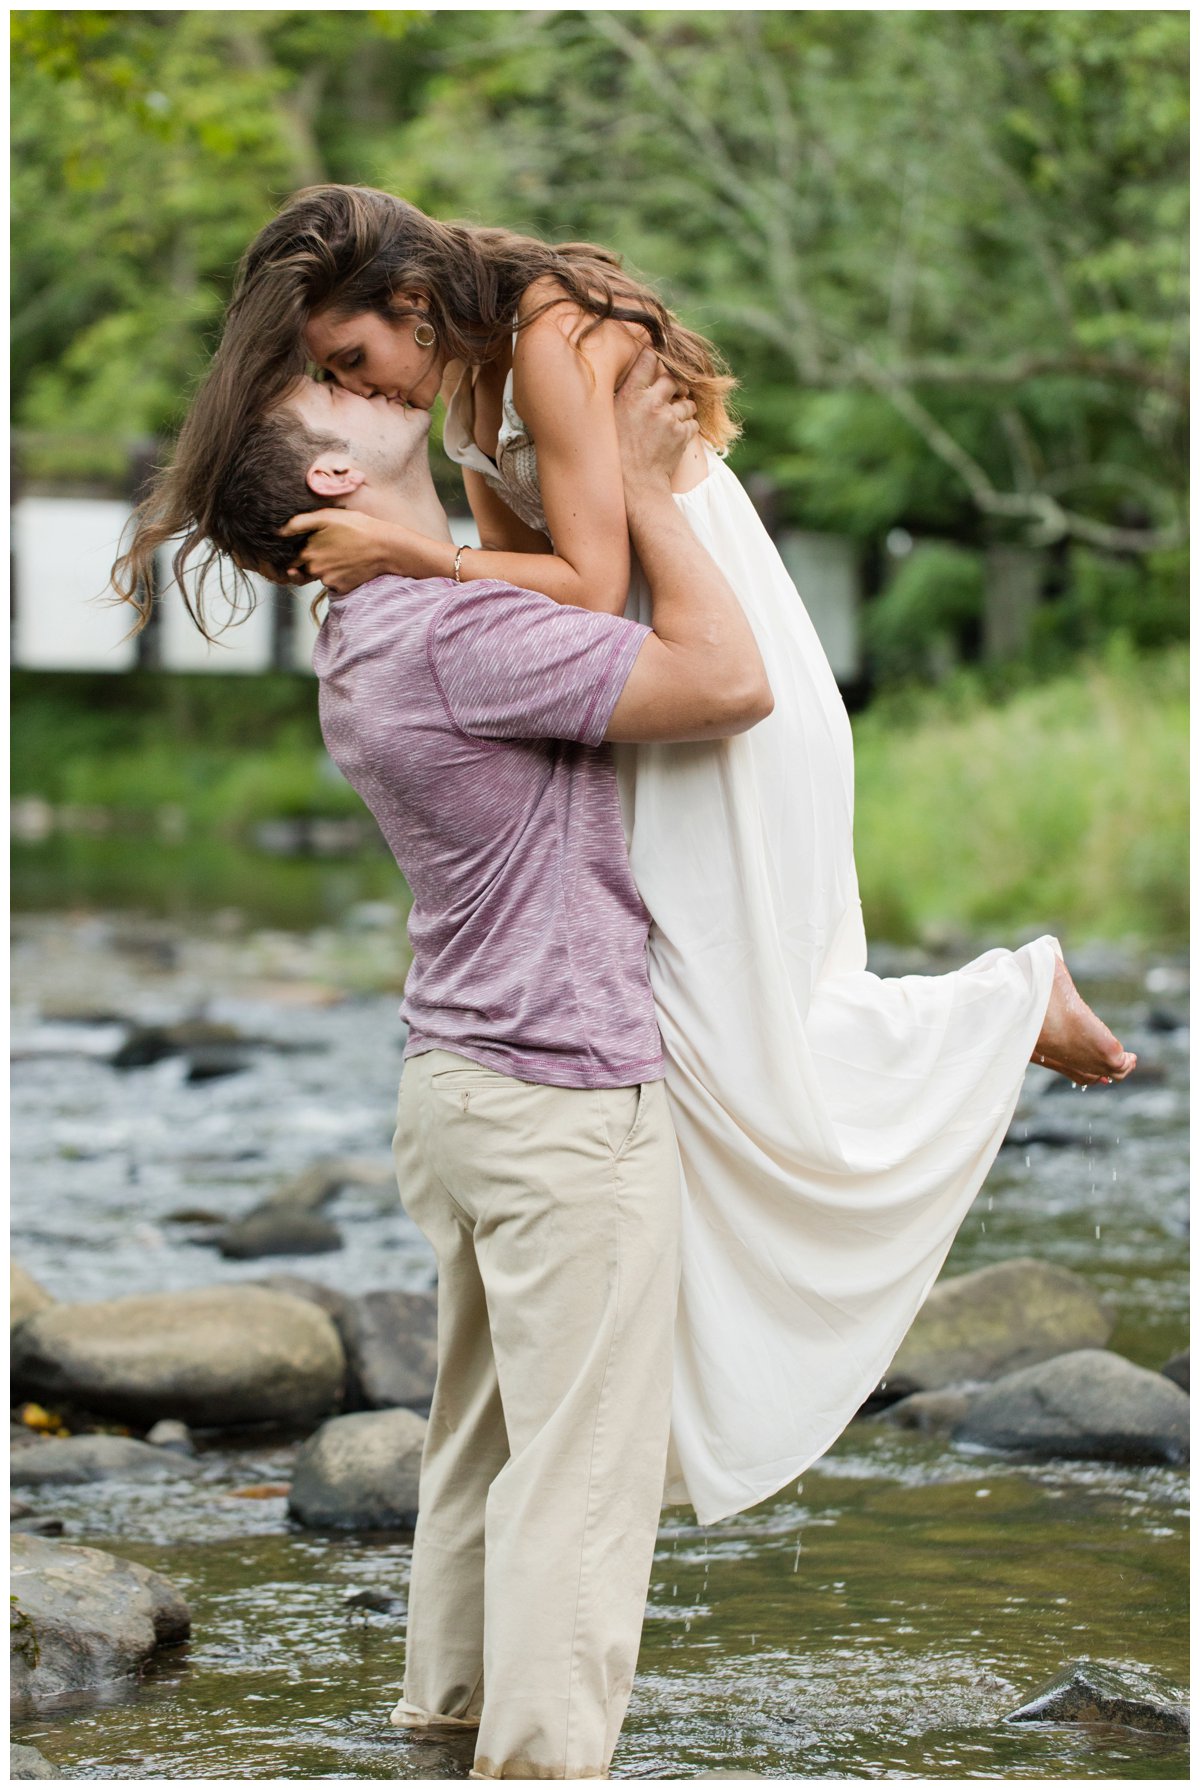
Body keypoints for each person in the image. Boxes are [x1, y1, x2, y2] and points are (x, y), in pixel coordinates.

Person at [113, 185, 1135, 1533]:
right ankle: (974, 1026)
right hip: (642, 686)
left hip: (728, 679)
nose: (349, 384)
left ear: (410, 304)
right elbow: (547, 582)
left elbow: (591, 585)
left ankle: (1003, 1002)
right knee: (701, 1035)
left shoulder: (541, 332)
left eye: (351, 359)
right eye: (329, 376)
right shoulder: (473, 390)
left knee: (736, 1023)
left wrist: (420, 556)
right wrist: (447, 563)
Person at [157, 352, 768, 1777]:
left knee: (484, 1441)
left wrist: (561, 470)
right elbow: (726, 680)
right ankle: (542, 1762)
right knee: (585, 1475)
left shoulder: (389, 615)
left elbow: (543, 559)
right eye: (341, 381)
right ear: (329, 474)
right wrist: (644, 482)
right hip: (557, 1095)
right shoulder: (451, 629)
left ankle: (447, 1725)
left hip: (459, 1083)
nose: (376, 371)